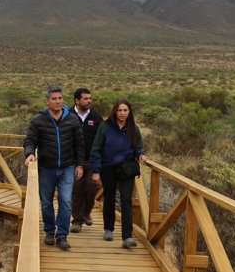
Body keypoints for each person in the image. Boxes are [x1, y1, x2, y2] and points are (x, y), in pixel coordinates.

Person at [24, 86, 85, 250]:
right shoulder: (38, 120)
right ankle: (50, 231)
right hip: (46, 168)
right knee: (46, 203)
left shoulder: (72, 119)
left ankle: (62, 235)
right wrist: (29, 153)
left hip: (67, 168)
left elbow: (79, 145)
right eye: (54, 99)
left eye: (60, 98)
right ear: (48, 101)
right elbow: (30, 140)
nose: (58, 101)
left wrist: (79, 164)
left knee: (66, 201)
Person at [89, 99, 147, 248]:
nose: (122, 113)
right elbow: (96, 149)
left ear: (129, 112)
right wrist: (96, 171)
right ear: (115, 111)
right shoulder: (105, 127)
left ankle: (127, 237)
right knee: (109, 197)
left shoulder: (134, 128)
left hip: (126, 168)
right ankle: (108, 229)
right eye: (119, 110)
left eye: (125, 110)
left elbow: (138, 146)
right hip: (108, 168)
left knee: (126, 200)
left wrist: (141, 154)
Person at [70, 88, 103, 233]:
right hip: (73, 159)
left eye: (90, 98)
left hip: (92, 159)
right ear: (77, 100)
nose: (89, 101)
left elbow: (102, 139)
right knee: (77, 188)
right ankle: (77, 220)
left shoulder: (96, 117)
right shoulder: (68, 115)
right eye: (85, 98)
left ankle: (86, 213)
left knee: (92, 186)